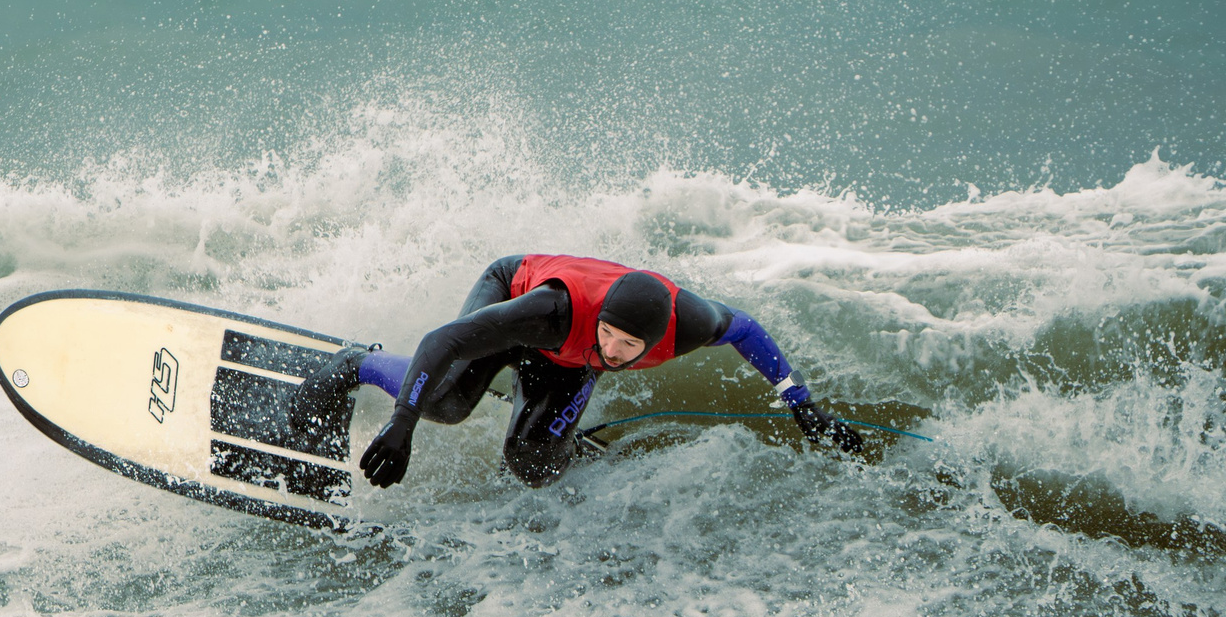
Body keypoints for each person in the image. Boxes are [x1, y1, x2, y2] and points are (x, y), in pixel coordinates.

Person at [288, 253, 864, 490]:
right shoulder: (552, 312)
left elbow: (747, 330)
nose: (613, 351)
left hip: (566, 355)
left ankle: (550, 421)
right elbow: (445, 338)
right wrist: (402, 422)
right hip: (514, 299)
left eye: (626, 346)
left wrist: (801, 403)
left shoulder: (689, 324)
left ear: (657, 340)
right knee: (448, 404)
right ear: (599, 320)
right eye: (607, 336)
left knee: (533, 464)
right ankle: (356, 361)